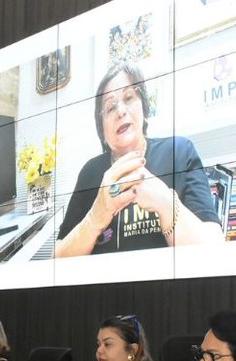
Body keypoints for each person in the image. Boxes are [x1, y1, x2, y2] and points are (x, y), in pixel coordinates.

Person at [55, 61, 222, 257]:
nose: (120, 111)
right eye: (110, 108)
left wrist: (164, 202)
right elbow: (57, 259)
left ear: (144, 106)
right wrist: (95, 217)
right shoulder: (90, 172)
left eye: (129, 98)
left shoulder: (179, 152)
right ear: (102, 128)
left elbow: (215, 250)